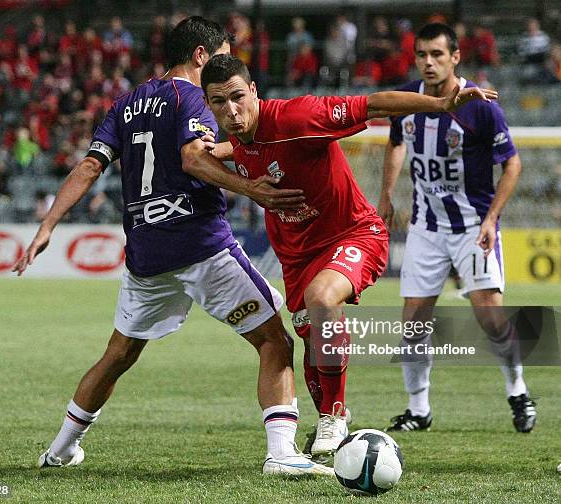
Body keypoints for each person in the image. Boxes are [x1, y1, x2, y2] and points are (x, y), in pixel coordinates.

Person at [13, 16, 332, 477]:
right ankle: (281, 453)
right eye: (220, 56)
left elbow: (88, 167)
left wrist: (48, 225)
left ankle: (60, 450)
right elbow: (194, 157)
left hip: (146, 255)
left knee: (119, 354)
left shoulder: (124, 104)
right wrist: (253, 190)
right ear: (201, 56)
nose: (224, 68)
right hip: (200, 242)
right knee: (274, 340)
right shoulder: (194, 98)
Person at [200, 53, 496, 460]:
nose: (231, 111)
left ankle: (335, 413)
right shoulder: (237, 137)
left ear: (254, 91)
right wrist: (216, 152)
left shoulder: (299, 117)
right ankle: (328, 420)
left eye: (237, 97)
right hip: (296, 254)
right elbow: (248, 148)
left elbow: (371, 104)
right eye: (218, 102)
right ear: (209, 104)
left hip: (354, 233)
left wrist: (440, 104)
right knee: (311, 342)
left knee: (322, 299)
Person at [377, 23, 536, 433]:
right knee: (412, 323)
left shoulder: (481, 106)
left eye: (437, 55)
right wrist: (387, 194)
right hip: (427, 227)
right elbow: (396, 142)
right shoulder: (409, 99)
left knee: (490, 318)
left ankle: (518, 390)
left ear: (455, 57)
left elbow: (512, 164)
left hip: (471, 227)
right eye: (422, 55)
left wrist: (491, 218)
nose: (429, 62)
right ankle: (419, 410)